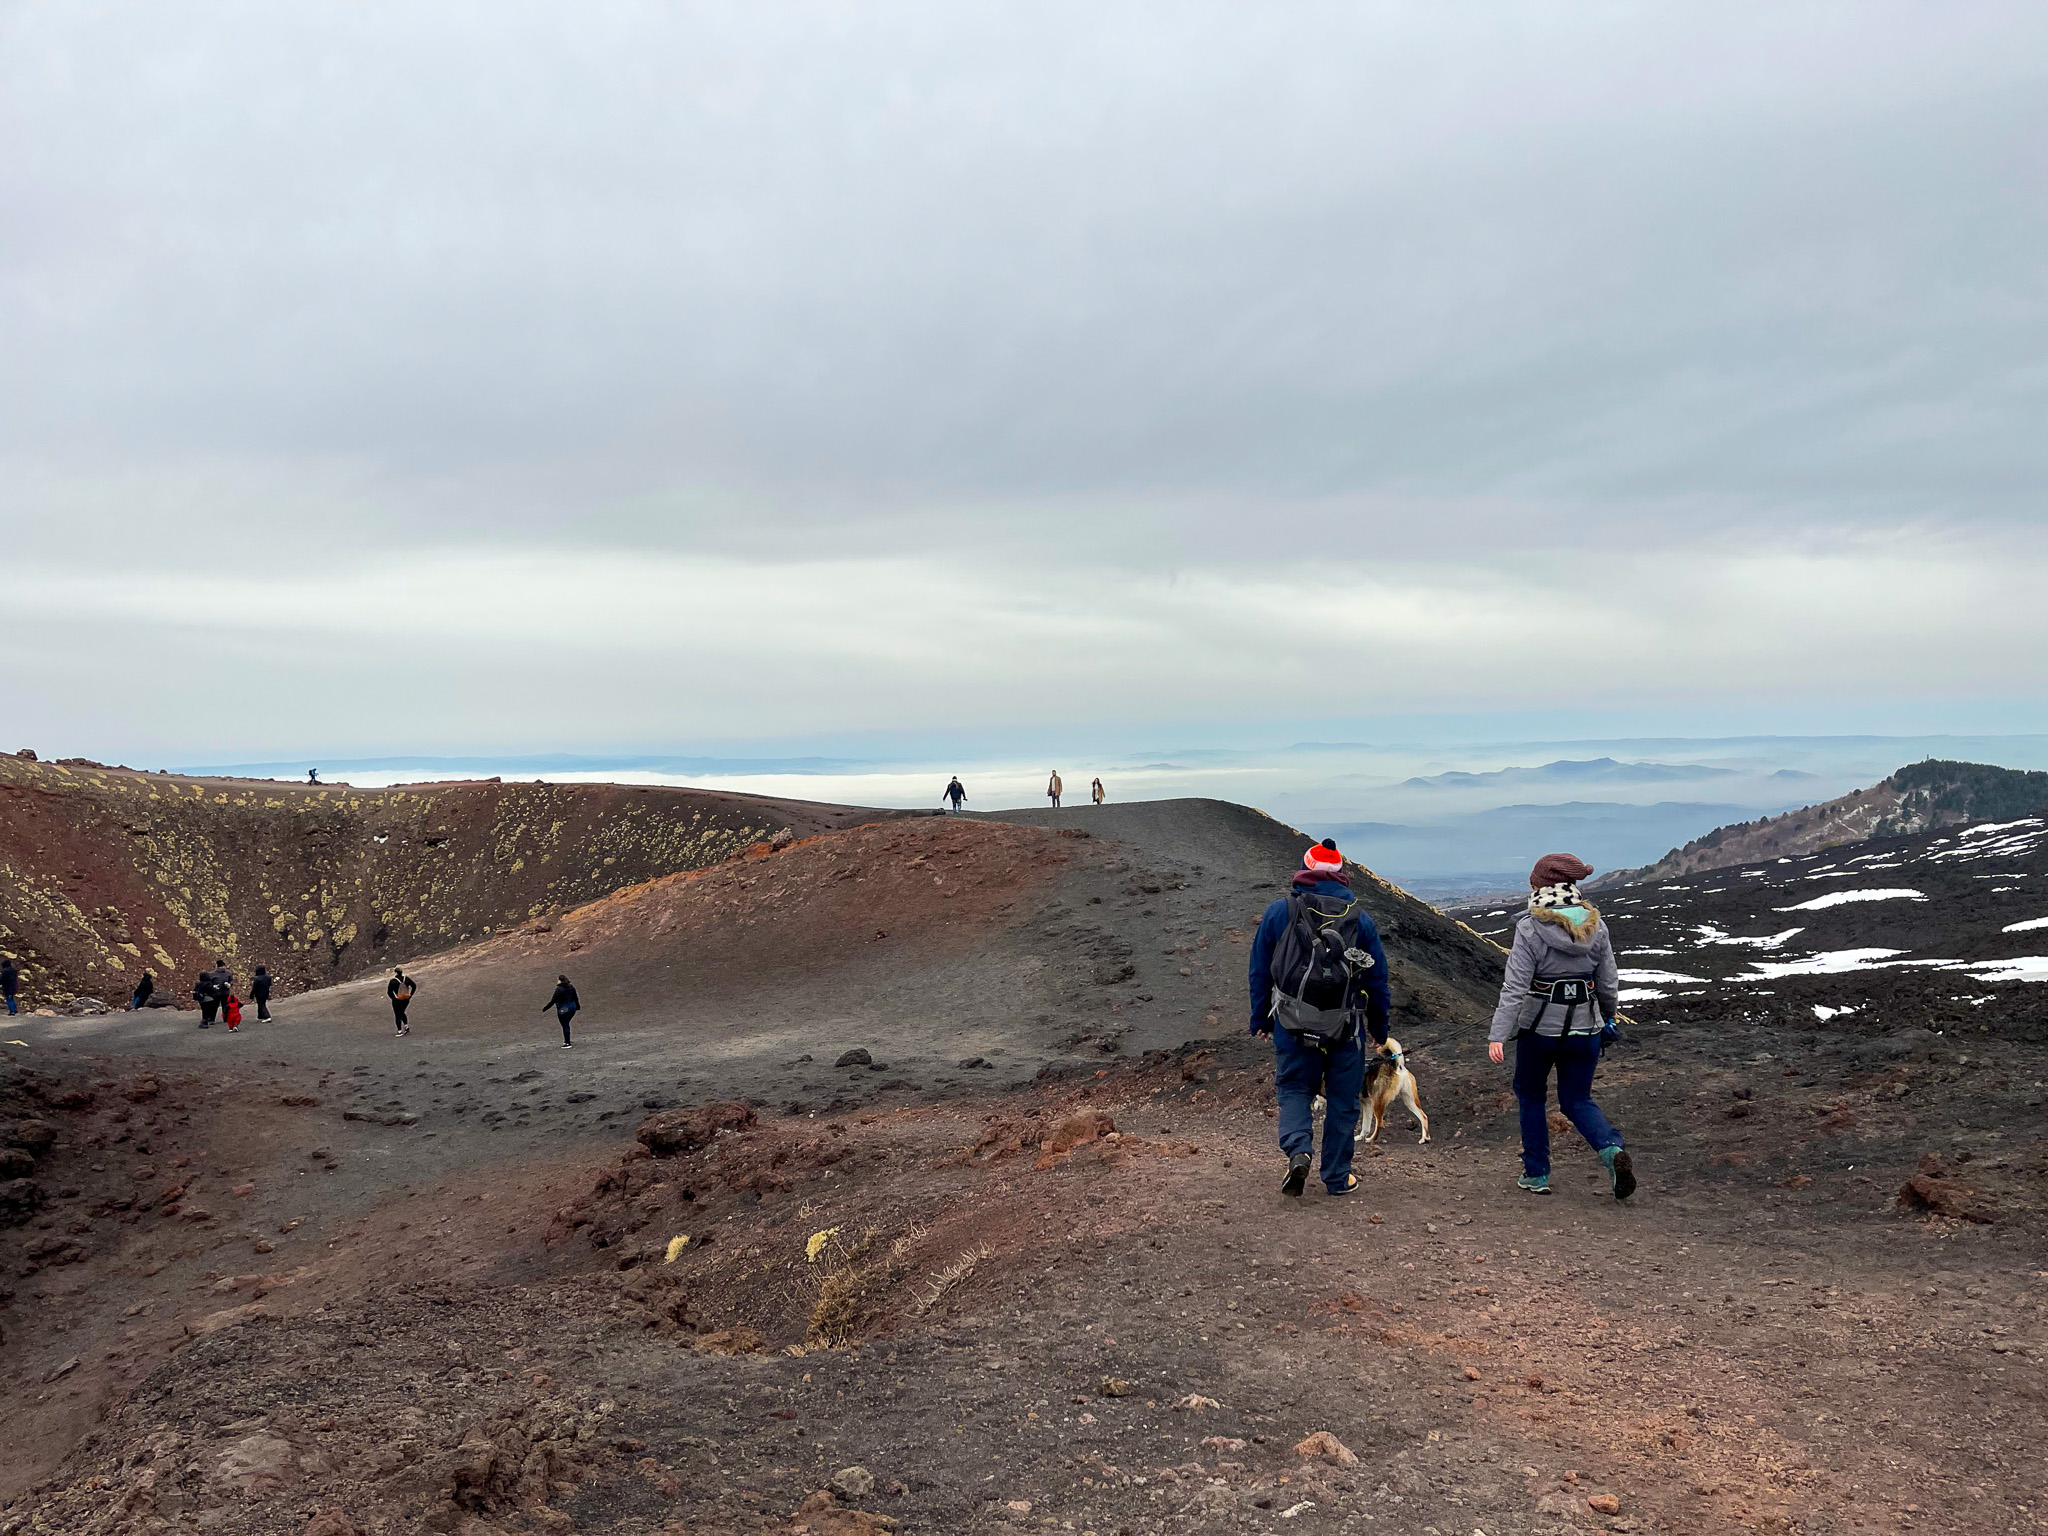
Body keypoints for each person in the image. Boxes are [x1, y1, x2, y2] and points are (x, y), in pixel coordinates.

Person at [1248, 838, 1391, 1198]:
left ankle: (1298, 1150)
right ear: (1341, 874)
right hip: (1345, 1026)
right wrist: (1379, 1028)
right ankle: (1337, 1178)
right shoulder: (1360, 919)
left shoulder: (1280, 912)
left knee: (1295, 1088)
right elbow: (1377, 980)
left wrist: (1261, 1019)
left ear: (1305, 870)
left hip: (1291, 1023)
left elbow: (1259, 971)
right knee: (1343, 1102)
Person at [1487, 852, 1634, 1200]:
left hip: (1539, 1031)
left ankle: (1536, 1174)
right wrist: (1608, 1017)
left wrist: (1498, 1034)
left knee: (1531, 1096)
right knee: (1577, 1099)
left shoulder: (1529, 927)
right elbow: (1608, 982)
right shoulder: (1596, 924)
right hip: (1586, 1029)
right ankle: (1612, 1150)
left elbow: (1515, 987)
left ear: (1541, 885)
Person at [544, 975, 579, 1047]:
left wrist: (545, 1008)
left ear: (560, 980)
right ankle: (567, 1039)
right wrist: (577, 1006)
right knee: (566, 1023)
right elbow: (576, 997)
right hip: (572, 1007)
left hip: (564, 1008)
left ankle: (567, 1043)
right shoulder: (571, 987)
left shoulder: (559, 989)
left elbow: (553, 1000)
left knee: (565, 1025)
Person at [387, 968, 415, 1036]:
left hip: (397, 999)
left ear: (395, 973)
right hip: (406, 999)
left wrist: (394, 998)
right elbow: (414, 986)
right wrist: (410, 995)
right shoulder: (407, 979)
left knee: (397, 1014)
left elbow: (389, 992)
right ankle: (406, 1026)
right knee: (402, 1012)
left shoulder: (393, 981)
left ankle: (399, 1030)